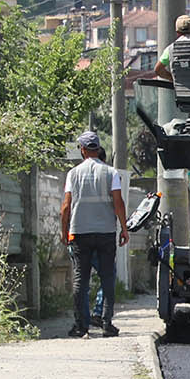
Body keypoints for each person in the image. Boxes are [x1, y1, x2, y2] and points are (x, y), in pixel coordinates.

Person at [60, 130, 129, 337]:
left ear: (82, 150)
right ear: (98, 149)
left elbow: (65, 207)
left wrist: (64, 232)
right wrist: (124, 228)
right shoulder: (110, 173)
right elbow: (118, 202)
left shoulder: (73, 174)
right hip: (106, 232)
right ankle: (107, 324)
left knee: (81, 279)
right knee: (107, 278)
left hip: (80, 232)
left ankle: (81, 326)